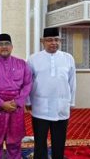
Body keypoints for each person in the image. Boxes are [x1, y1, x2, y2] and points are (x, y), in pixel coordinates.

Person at [27, 27, 76, 159]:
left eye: (56, 40)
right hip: (40, 107)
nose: (53, 43)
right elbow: (28, 82)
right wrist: (28, 101)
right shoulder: (33, 59)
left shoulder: (68, 58)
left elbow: (72, 82)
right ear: (43, 41)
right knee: (40, 142)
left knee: (59, 142)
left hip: (61, 106)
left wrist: (71, 102)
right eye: (49, 40)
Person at [0, 33, 32, 159]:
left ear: (12, 46)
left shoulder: (22, 64)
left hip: (15, 107)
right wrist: (0, 103)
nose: (3, 47)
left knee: (14, 142)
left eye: (6, 44)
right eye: (0, 44)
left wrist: (17, 102)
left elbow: (28, 84)